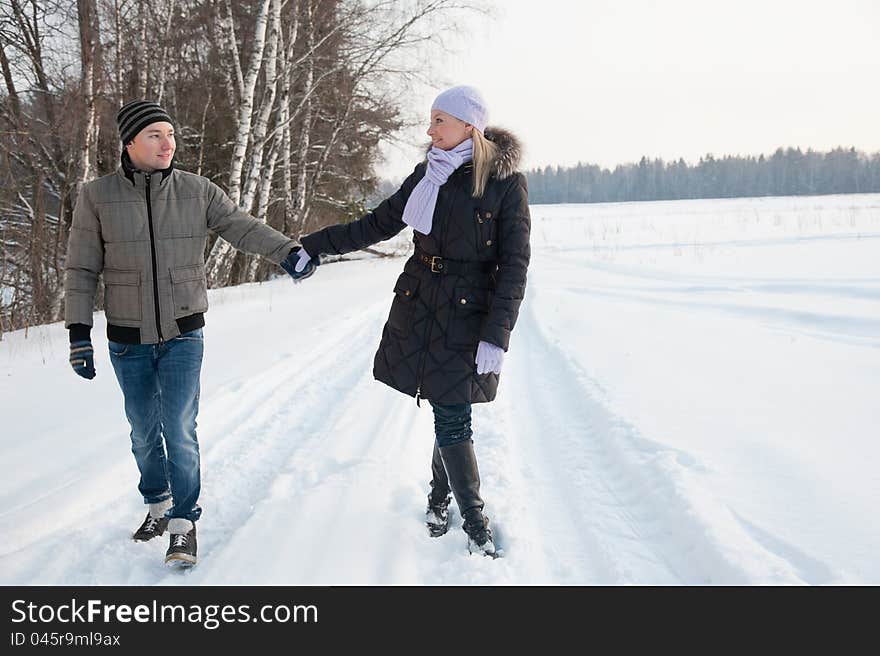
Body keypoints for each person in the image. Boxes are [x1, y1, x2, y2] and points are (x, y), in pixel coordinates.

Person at [64, 100, 308, 567]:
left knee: (178, 427)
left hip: (183, 332)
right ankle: (156, 504)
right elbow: (81, 268)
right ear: (130, 142)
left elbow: (242, 227)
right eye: (155, 134)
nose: (167, 143)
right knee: (141, 430)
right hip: (127, 337)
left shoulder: (197, 191)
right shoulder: (97, 196)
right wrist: (78, 333)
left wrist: (287, 252)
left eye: (171, 134)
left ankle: (183, 522)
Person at [291, 86, 530, 557]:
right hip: (420, 303)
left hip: (469, 311)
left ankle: (473, 521)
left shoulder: (505, 184)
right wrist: (314, 244)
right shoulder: (427, 175)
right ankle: (441, 500)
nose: (429, 129)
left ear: (469, 126)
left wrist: (496, 336)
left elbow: (515, 264)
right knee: (448, 403)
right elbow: (376, 224)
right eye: (432, 119)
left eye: (439, 119)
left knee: (452, 411)